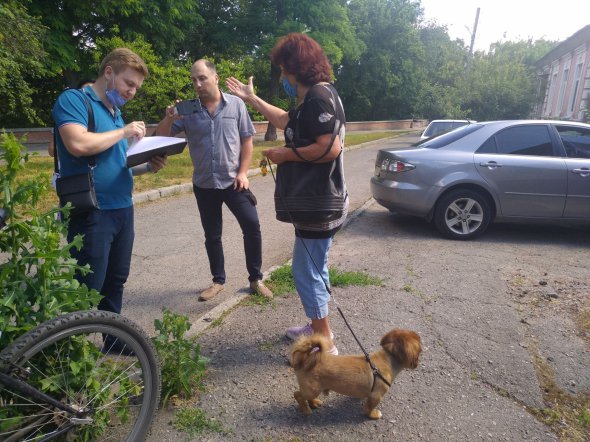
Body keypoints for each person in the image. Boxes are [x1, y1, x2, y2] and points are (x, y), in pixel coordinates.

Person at [226, 33, 348, 355]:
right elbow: (284, 119)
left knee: (307, 271)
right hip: (319, 203)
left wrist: (286, 154)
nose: (282, 77)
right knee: (313, 268)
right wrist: (252, 99)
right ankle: (317, 327)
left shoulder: (319, 98)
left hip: (320, 204)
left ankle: (325, 345)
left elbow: (330, 148)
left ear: (297, 67)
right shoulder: (312, 99)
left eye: (283, 70)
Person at [52, 48, 167, 315]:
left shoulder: (114, 111)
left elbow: (116, 164)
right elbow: (78, 143)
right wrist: (124, 132)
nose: (132, 92)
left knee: (116, 280)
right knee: (87, 285)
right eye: (129, 83)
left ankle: (113, 340)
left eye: (136, 87)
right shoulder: (75, 100)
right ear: (108, 72)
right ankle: (68, 349)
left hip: (122, 209)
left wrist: (148, 166)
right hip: (92, 211)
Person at [155, 59, 273, 301]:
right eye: (194, 80)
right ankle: (218, 281)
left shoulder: (236, 105)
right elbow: (160, 138)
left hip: (233, 182)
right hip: (204, 184)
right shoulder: (188, 110)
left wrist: (243, 172)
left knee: (252, 226)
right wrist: (168, 118)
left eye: (202, 78)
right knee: (212, 235)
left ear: (215, 77)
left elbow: (246, 140)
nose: (197, 84)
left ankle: (255, 279)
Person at [49, 79, 95, 157]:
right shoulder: (71, 114)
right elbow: (52, 151)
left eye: (92, 91)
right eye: (85, 91)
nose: (89, 94)